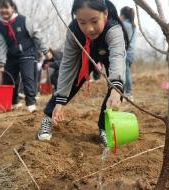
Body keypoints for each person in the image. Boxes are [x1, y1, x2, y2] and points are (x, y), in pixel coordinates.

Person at [37, 0, 128, 146]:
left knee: (117, 86)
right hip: (85, 51)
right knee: (74, 80)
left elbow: (117, 58)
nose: (89, 28)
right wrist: (60, 101)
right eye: (82, 22)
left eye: (94, 21)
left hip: (109, 52)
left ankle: (104, 128)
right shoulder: (74, 31)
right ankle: (48, 117)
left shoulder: (113, 29)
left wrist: (116, 88)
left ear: (104, 14)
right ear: (75, 19)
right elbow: (67, 65)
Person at [0, 0, 53, 112]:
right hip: (11, 56)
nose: (3, 10)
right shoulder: (0, 26)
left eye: (6, 7)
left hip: (27, 52)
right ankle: (14, 102)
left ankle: (30, 103)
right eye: (0, 8)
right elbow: (1, 46)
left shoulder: (23, 20)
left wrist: (46, 51)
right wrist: (1, 63)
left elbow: (37, 36)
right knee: (9, 79)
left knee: (28, 77)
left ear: (12, 7)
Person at [120, 6, 136, 100]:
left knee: (126, 73)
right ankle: (126, 92)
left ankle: (129, 94)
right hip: (131, 53)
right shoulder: (133, 26)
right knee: (126, 72)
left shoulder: (124, 25)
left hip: (125, 52)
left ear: (123, 15)